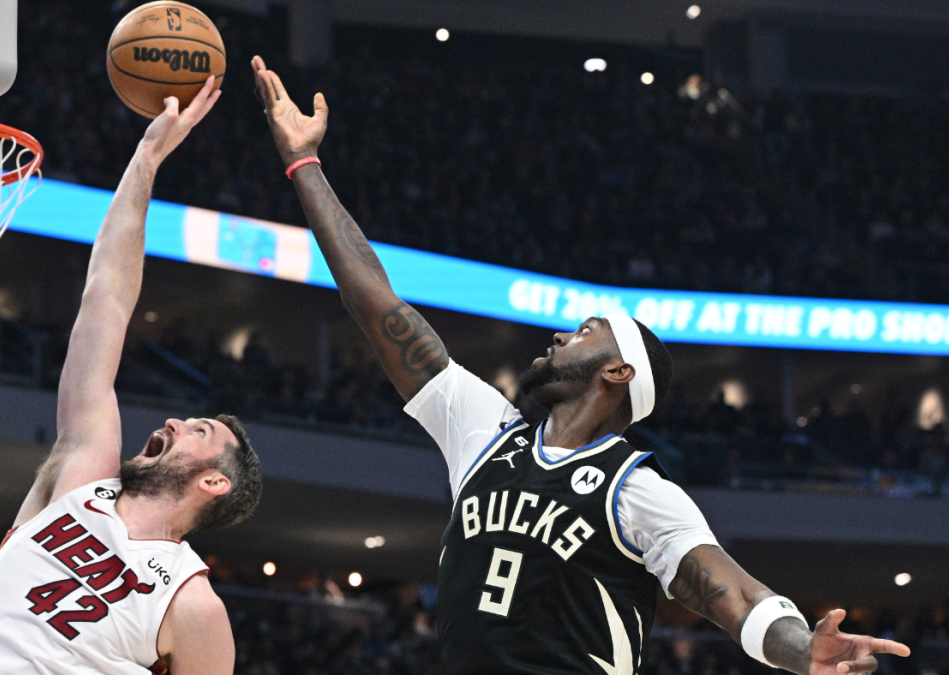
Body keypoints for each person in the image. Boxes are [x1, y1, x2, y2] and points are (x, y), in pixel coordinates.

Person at [251, 56, 910, 675]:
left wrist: (802, 652)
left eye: (588, 331)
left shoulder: (637, 490)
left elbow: (729, 591)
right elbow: (378, 307)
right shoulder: (485, 430)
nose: (563, 333)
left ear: (618, 372)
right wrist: (304, 162)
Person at [0, 77, 263, 675]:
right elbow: (107, 301)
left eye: (197, 431)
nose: (172, 420)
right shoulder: (80, 483)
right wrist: (146, 159)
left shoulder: (194, 605)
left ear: (215, 483)